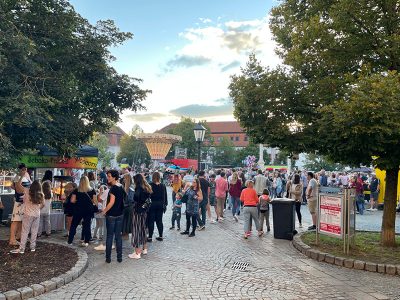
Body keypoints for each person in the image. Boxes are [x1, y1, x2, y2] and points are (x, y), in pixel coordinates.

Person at [10, 180, 44, 254]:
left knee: (25, 231)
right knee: (34, 231)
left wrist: (20, 176)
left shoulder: (27, 191)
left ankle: (22, 249)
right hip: (37, 215)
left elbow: (18, 185)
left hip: (28, 214)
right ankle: (32, 247)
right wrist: (38, 208)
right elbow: (43, 204)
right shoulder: (41, 194)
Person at [102, 170, 125, 263]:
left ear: (115, 177)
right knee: (118, 236)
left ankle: (108, 258)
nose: (108, 178)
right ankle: (119, 258)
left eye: (109, 176)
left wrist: (104, 211)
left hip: (111, 215)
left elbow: (111, 202)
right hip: (120, 214)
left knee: (110, 236)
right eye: (108, 176)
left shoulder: (113, 188)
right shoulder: (121, 186)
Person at [68, 176, 97, 246]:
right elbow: (95, 202)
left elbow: (72, 200)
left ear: (80, 182)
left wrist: (78, 200)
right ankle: (86, 241)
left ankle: (70, 241)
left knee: (74, 225)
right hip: (88, 210)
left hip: (78, 209)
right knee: (87, 225)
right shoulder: (92, 190)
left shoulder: (76, 190)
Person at [129, 174, 152, 259]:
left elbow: (136, 199)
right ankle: (144, 249)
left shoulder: (139, 188)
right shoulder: (147, 187)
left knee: (136, 230)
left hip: (138, 212)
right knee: (143, 230)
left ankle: (137, 252)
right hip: (144, 212)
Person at [9, 163, 32, 246]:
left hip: (24, 202)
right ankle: (12, 239)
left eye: (25, 169)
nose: (24, 171)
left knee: (21, 220)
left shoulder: (27, 176)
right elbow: (17, 189)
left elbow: (13, 187)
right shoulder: (18, 177)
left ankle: (19, 235)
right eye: (22, 169)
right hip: (19, 201)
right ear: (19, 170)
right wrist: (21, 177)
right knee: (16, 220)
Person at [148, 172, 168, 242]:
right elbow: (165, 196)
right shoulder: (163, 186)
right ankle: (160, 236)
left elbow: (148, 196)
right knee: (159, 221)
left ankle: (150, 237)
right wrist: (165, 204)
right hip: (160, 205)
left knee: (151, 221)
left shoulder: (150, 185)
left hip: (152, 204)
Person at [122, 173, 135, 239]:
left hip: (129, 206)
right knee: (126, 221)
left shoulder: (130, 187)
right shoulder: (126, 186)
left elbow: (131, 198)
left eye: (124, 178)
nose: (123, 179)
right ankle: (125, 233)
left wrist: (124, 202)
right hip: (127, 206)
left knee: (127, 221)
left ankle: (126, 234)